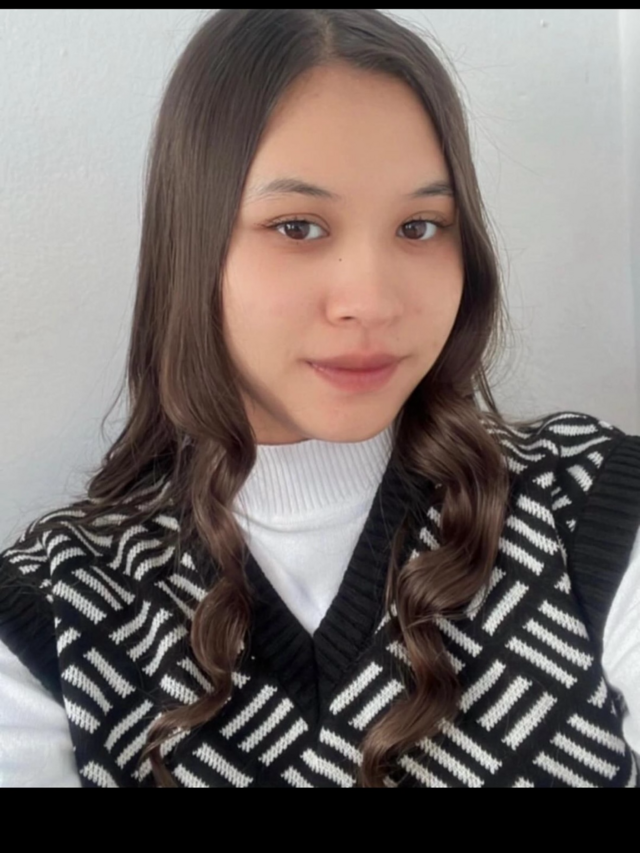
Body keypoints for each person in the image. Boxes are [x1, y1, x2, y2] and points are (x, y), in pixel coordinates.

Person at [0, 8, 638, 789]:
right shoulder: (56, 616)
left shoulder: (589, 511)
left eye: (420, 225)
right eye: (298, 226)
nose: (371, 301)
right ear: (193, 246)